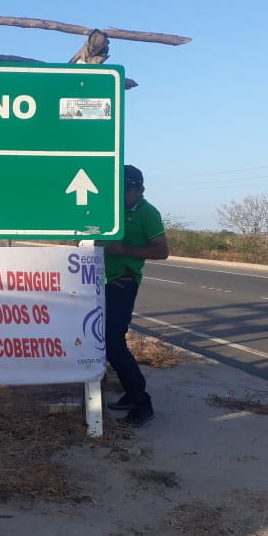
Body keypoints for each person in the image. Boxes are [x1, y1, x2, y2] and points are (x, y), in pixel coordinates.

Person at [100, 165, 169, 427]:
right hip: (102, 283)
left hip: (123, 283)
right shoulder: (113, 210)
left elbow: (162, 251)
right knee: (108, 342)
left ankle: (143, 404)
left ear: (140, 189)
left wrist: (122, 249)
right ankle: (132, 394)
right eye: (118, 190)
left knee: (113, 344)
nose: (122, 195)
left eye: (127, 190)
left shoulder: (148, 213)